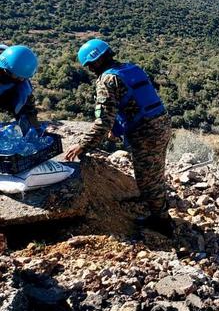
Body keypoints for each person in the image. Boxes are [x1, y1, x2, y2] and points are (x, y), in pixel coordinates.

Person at [64, 39, 173, 233]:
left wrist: (83, 145)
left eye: (89, 66)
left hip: (146, 132)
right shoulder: (130, 68)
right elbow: (134, 102)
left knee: (148, 180)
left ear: (95, 62)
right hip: (161, 123)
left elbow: (102, 122)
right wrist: (118, 128)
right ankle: (157, 204)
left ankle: (162, 223)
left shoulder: (107, 80)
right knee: (154, 172)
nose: (90, 70)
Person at [0, 45, 40, 131]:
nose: (21, 79)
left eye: (23, 77)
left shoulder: (21, 81)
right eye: (17, 76)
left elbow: (29, 109)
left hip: (6, 94)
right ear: (6, 70)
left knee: (24, 94)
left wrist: (35, 129)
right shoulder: (9, 62)